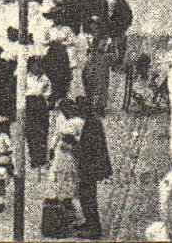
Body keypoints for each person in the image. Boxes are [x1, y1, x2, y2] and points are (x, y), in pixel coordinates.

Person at [75, 97, 113, 239]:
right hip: (91, 166)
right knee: (87, 196)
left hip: (89, 168)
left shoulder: (90, 125)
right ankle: (89, 223)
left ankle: (94, 229)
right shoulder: (93, 121)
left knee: (87, 198)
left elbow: (90, 149)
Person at [44, 108, 81, 238]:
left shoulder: (78, 122)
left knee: (66, 187)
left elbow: (79, 143)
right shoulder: (60, 117)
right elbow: (56, 134)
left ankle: (65, 220)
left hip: (69, 160)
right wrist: (51, 149)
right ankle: (59, 223)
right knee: (57, 186)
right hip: (60, 159)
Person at [25, 57, 52, 172]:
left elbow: (48, 92)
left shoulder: (45, 78)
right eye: (35, 65)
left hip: (40, 104)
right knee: (31, 132)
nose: (37, 67)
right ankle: (34, 158)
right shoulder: (26, 78)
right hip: (30, 104)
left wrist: (44, 100)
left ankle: (41, 158)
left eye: (39, 65)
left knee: (42, 131)